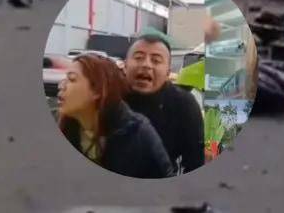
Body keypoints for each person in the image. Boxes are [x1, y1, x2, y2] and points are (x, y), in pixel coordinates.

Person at [57, 54, 173, 178]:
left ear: (97, 90)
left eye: (72, 79)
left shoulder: (137, 133)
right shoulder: (63, 127)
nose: (61, 86)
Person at [124, 32, 204, 175]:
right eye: (138, 58)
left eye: (156, 60)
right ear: (125, 65)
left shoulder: (184, 104)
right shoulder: (110, 97)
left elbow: (195, 162)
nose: (146, 64)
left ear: (168, 72)